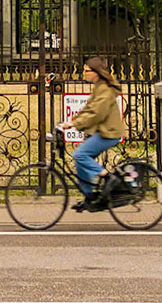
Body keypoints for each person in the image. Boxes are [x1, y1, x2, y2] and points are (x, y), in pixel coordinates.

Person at [66, 57, 125, 211]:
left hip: (109, 133)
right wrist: (73, 120)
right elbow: (88, 109)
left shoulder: (105, 89)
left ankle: (107, 177)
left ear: (97, 72)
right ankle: (89, 196)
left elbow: (97, 114)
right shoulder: (99, 87)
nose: (84, 73)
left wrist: (75, 124)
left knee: (80, 155)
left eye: (87, 71)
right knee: (81, 160)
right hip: (101, 132)